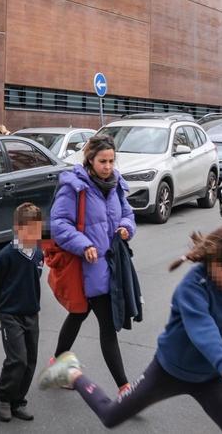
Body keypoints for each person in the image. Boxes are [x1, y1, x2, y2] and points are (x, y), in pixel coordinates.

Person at [38, 225, 222, 434]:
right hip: (167, 371)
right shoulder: (191, 288)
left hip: (209, 378)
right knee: (110, 416)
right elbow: (202, 330)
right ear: (217, 264)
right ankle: (71, 371)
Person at [48, 135, 136, 393]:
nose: (108, 167)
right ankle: (124, 387)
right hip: (87, 267)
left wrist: (126, 227)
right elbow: (58, 224)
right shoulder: (74, 187)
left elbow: (128, 213)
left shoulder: (116, 184)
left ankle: (57, 365)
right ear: (90, 160)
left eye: (111, 161)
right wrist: (84, 244)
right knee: (107, 326)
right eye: (102, 161)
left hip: (112, 264)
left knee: (78, 313)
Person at [0, 203, 45, 423]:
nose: (32, 234)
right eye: (27, 230)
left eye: (36, 229)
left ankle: (17, 400)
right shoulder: (5, 256)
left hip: (31, 313)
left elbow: (35, 280)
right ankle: (2, 394)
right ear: (17, 229)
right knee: (18, 359)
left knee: (30, 360)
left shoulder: (38, 254)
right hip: (10, 314)